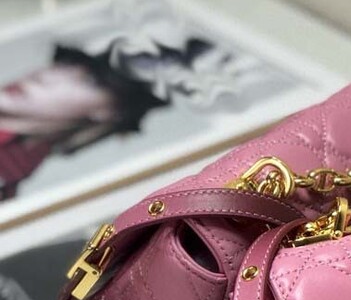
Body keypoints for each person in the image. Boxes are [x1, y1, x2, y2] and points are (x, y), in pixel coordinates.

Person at [0, 39, 211, 200]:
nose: (48, 75)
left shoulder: (18, 170)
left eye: (90, 80)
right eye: (65, 64)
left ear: (109, 112)